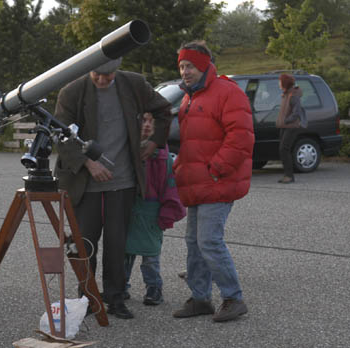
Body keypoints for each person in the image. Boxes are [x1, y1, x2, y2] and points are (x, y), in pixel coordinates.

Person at [54, 58, 172, 319]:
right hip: (84, 183)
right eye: (97, 75)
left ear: (118, 70)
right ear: (90, 69)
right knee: (82, 243)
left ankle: (116, 298)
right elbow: (60, 134)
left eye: (108, 76)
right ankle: (85, 297)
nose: (102, 80)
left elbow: (164, 109)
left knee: (118, 244)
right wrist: (88, 163)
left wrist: (154, 142)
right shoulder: (72, 91)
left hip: (124, 180)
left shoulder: (134, 84)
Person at [171, 41, 254, 322]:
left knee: (208, 241)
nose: (185, 71)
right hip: (195, 182)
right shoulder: (188, 97)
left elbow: (241, 137)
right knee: (193, 242)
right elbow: (192, 142)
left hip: (217, 182)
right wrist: (180, 167)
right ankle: (200, 298)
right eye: (182, 66)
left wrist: (216, 169)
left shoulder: (227, 92)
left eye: (190, 66)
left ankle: (233, 298)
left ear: (204, 66)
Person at [124, 112, 186, 306]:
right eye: (143, 120)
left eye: (152, 122)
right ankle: (121, 285)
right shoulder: (125, 154)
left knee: (150, 256)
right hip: (128, 211)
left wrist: (167, 215)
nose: (147, 126)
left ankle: (154, 287)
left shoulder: (164, 159)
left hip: (152, 213)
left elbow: (172, 189)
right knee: (124, 255)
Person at [276, 73, 307, 184]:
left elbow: (296, 112)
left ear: (285, 83)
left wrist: (286, 120)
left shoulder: (293, 95)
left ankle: (289, 176)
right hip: (284, 126)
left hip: (291, 126)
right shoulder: (285, 94)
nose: (278, 83)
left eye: (280, 81)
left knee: (284, 149)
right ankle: (287, 175)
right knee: (283, 150)